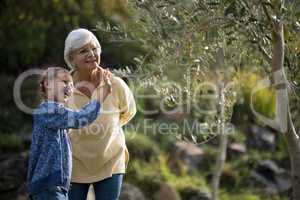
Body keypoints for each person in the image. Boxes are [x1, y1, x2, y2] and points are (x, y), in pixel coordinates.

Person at [64, 28, 136, 200]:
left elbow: (128, 112)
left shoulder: (116, 84)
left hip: (111, 160)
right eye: (83, 51)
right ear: (71, 59)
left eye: (94, 49)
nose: (91, 54)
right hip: (75, 163)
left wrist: (107, 128)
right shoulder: (64, 87)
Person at [27, 66, 112, 200]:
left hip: (55, 187)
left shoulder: (56, 115)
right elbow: (80, 118)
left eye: (71, 84)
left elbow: (77, 117)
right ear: (47, 84)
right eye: (65, 82)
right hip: (48, 186)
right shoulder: (47, 110)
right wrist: (101, 96)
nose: (69, 87)